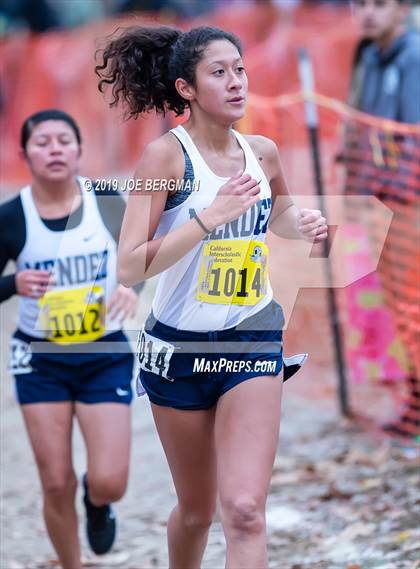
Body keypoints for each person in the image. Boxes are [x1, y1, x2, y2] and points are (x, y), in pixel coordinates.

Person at [96, 26, 328, 568]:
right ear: (187, 88)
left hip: (252, 342)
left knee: (245, 510)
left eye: (240, 69)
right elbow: (130, 263)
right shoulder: (163, 160)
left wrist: (305, 222)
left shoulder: (263, 153)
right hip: (179, 351)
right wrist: (207, 218)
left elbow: (282, 214)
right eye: (218, 72)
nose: (236, 82)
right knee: (197, 512)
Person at [0, 109, 139, 569]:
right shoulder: (11, 217)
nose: (55, 149)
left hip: (103, 353)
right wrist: (12, 285)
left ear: (80, 149)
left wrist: (127, 287)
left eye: (64, 140)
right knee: (54, 480)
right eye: (43, 142)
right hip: (40, 358)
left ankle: (97, 503)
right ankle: (71, 564)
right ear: (24, 154)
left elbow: (138, 256)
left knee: (110, 479)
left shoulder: (106, 200)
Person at [349, 0, 420, 440]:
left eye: (379, 4)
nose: (369, 13)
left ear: (403, 9)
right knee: (400, 304)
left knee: (411, 304)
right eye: (361, 4)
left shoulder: (412, 56)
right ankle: (413, 398)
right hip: (383, 201)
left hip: (407, 200)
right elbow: (361, 131)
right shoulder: (370, 57)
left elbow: (412, 137)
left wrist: (399, 193)